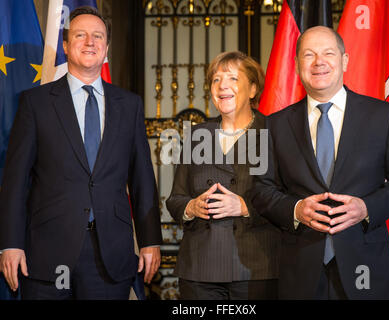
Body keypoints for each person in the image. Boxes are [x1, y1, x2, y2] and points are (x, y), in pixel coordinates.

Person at [0, 6, 162, 300]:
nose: (90, 42)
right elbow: (15, 181)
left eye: (98, 36)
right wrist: (10, 243)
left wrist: (151, 240)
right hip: (48, 253)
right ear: (65, 45)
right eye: (80, 35)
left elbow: (142, 179)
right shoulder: (35, 104)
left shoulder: (130, 105)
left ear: (106, 47)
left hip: (110, 254)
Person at [251, 26, 389, 300]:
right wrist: (296, 209)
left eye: (328, 53)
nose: (319, 62)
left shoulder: (383, 116)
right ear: (296, 65)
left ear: (344, 61)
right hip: (300, 271)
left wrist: (366, 208)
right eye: (309, 55)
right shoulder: (274, 125)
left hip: (365, 266)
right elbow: (261, 190)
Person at [166, 51, 280, 300]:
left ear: (252, 89)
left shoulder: (276, 133)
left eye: (232, 78)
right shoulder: (197, 135)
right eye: (216, 80)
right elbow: (175, 200)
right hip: (199, 270)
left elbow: (289, 201)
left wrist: (244, 206)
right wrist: (191, 206)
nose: (222, 85)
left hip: (256, 269)